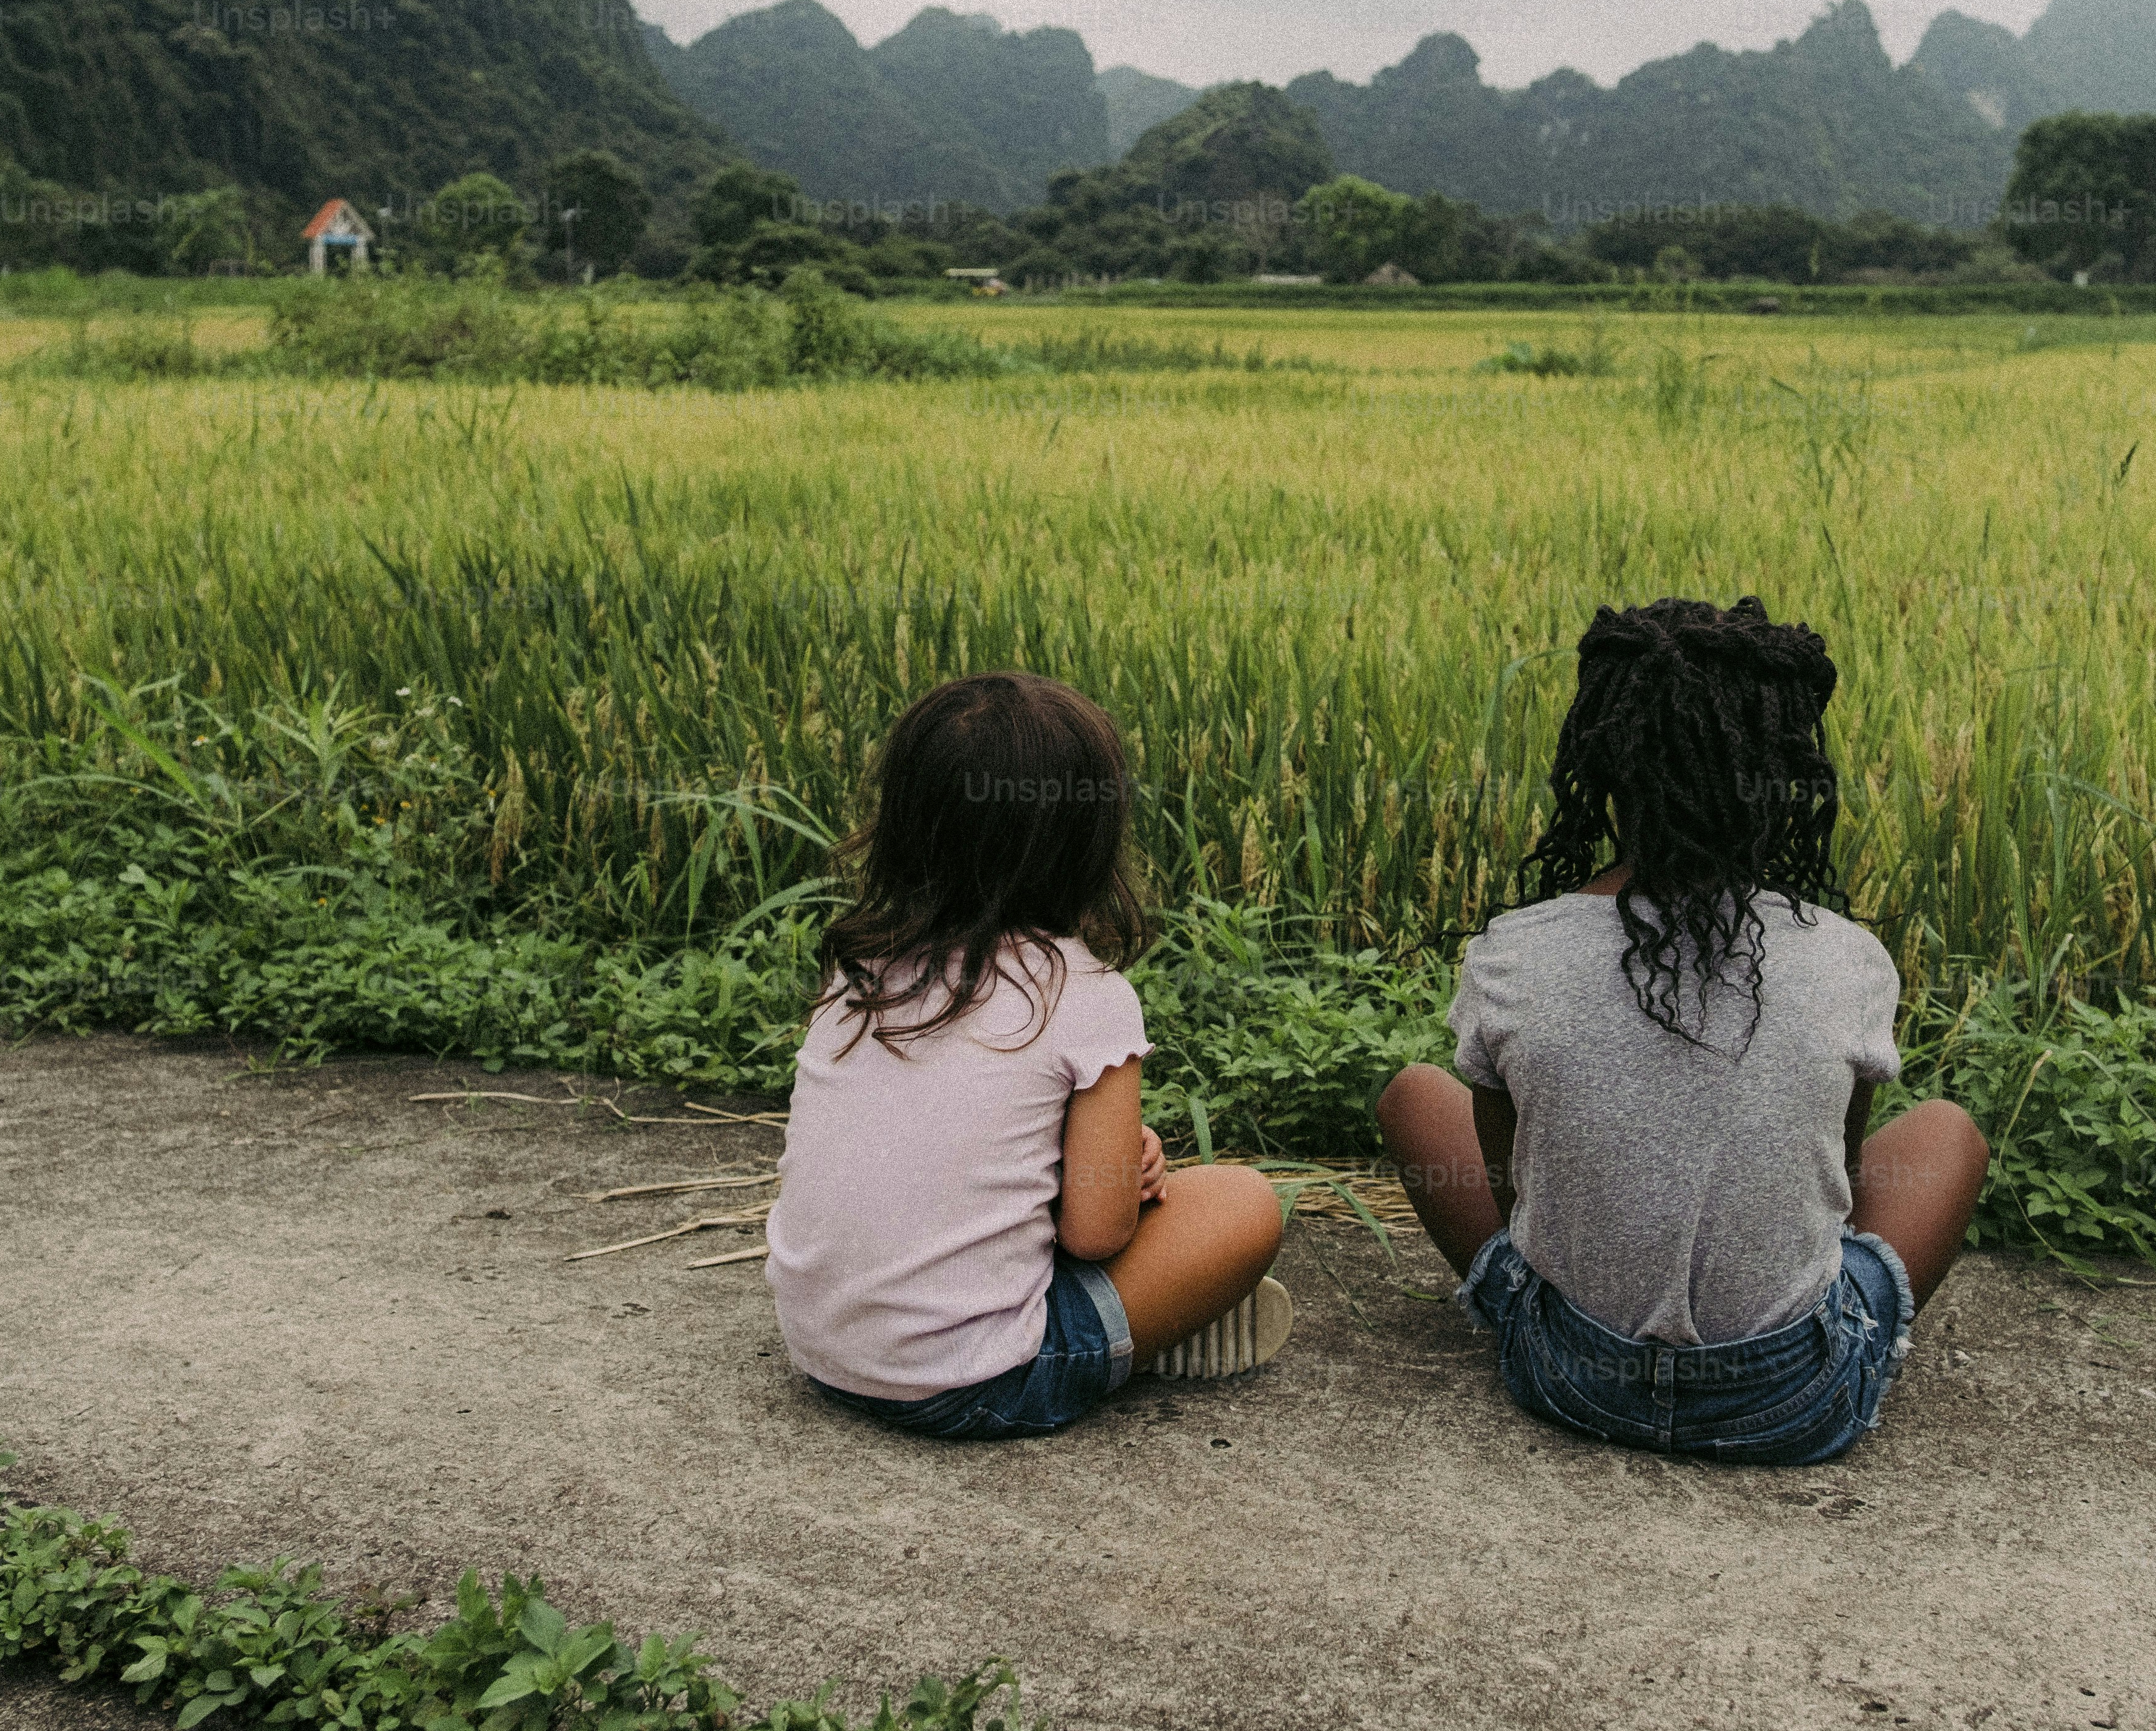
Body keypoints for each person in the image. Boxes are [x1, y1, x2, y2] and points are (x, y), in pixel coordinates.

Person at [1376, 596, 1987, 1465]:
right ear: (1783, 775)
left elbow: (1517, 1197)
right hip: (1789, 1400)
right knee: (1948, 1134)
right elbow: (1838, 1189)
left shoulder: (1512, 953)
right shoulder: (1849, 959)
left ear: (1601, 761)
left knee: (1412, 1095)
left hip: (1568, 1375)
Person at [771, 671, 1291, 1437]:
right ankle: (1134, 1336)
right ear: (1086, 838)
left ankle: (1134, 1321)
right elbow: (1097, 1234)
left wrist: (1086, 1160)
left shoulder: (858, 972)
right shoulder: (1084, 993)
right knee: (1244, 1203)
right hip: (978, 1382)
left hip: (822, 1353)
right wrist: (1111, 1178)